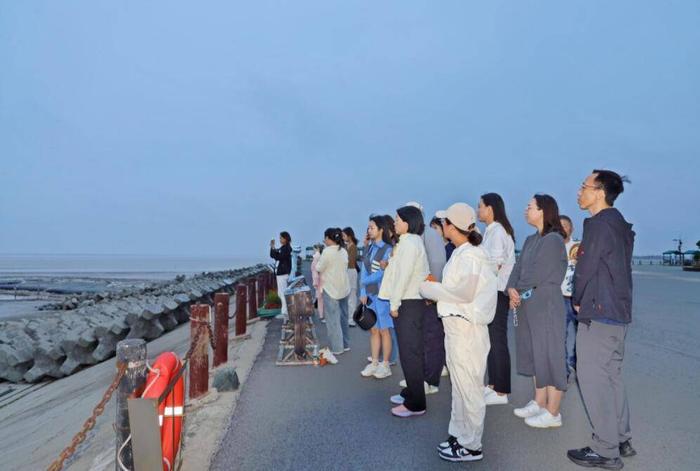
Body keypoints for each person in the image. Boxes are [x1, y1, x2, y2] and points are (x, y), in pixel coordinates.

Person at [567, 170, 635, 470]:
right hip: (618, 312)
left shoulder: (598, 224)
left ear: (599, 192)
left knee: (593, 378)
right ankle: (620, 438)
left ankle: (606, 449)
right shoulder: (619, 225)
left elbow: (586, 267)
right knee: (611, 377)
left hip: (598, 310)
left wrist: (577, 299)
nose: (580, 191)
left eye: (584, 186)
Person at [420, 203, 497, 462]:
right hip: (457, 328)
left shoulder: (472, 255)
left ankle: (471, 445)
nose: (442, 227)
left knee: (469, 389)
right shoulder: (463, 252)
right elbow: (458, 291)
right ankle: (459, 435)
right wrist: (437, 288)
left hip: (467, 328)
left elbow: (463, 293)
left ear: (451, 226)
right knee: (460, 388)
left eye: (444, 223)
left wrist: (429, 289)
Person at [507, 194, 568, 428]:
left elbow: (538, 273)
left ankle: (553, 412)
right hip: (529, 302)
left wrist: (517, 289)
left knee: (550, 354)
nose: (526, 209)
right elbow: (518, 267)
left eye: (530, 206)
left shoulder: (553, 240)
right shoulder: (532, 238)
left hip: (546, 304)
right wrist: (511, 288)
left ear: (543, 211)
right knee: (535, 353)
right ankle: (539, 401)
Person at [378, 206, 429, 418]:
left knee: (411, 354)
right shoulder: (407, 242)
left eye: (398, 219)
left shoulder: (409, 243)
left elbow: (403, 277)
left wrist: (394, 304)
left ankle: (416, 404)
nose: (395, 223)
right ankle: (410, 392)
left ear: (408, 222)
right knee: (410, 352)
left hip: (408, 302)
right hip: (409, 301)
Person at [478, 193, 516, 406]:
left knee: (498, 340)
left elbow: (496, 265)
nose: (478, 210)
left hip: (498, 292)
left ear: (490, 208)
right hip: (492, 292)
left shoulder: (499, 232)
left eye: (480, 206)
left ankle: (501, 391)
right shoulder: (491, 231)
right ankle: (493, 385)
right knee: (492, 340)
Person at [406, 202, 446, 396]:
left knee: (432, 339)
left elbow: (437, 263)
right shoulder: (409, 237)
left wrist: (432, 291)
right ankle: (418, 377)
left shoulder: (429, 235)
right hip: (414, 297)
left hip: (429, 296)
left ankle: (431, 380)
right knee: (418, 339)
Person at [359, 216, 394, 379]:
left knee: (384, 330)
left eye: (372, 227)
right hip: (370, 295)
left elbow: (383, 273)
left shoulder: (388, 249)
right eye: (368, 228)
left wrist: (365, 282)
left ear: (381, 229)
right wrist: (363, 291)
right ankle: (374, 362)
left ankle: (385, 364)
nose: (369, 230)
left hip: (383, 295)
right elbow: (363, 270)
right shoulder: (368, 248)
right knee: (373, 329)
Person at [316, 228, 351, 356]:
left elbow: (319, 268)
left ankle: (337, 348)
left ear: (328, 238)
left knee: (333, 320)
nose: (324, 240)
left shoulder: (327, 252)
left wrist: (319, 256)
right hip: (344, 287)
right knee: (343, 318)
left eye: (325, 238)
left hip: (331, 289)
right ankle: (345, 344)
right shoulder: (343, 250)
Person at [559, 215, 580, 379]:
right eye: (559, 225)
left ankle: (576, 362)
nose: (562, 228)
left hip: (578, 298)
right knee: (560, 336)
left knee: (582, 336)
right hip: (559, 298)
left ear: (571, 228)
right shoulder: (552, 248)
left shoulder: (578, 247)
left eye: (565, 225)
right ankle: (563, 370)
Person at [270, 231, 292, 321]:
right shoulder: (285, 248)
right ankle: (285, 311)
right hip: (283, 273)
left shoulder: (286, 248)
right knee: (281, 293)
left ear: (285, 238)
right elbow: (275, 255)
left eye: (281, 238)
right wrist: (273, 247)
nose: (280, 239)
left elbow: (278, 256)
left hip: (283, 273)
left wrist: (273, 248)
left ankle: (285, 312)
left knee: (282, 293)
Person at [343, 227, 360, 327]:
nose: (343, 237)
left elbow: (350, 261)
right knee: (348, 296)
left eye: (344, 235)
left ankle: (352, 319)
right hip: (347, 271)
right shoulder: (347, 246)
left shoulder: (353, 247)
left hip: (351, 271)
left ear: (349, 236)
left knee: (352, 296)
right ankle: (348, 318)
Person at [311, 244, 325, 323]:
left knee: (320, 299)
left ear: (317, 249)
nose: (313, 250)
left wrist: (315, 282)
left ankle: (321, 316)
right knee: (321, 299)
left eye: (314, 248)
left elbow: (316, 271)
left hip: (319, 281)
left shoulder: (316, 257)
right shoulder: (318, 257)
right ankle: (321, 316)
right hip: (320, 280)